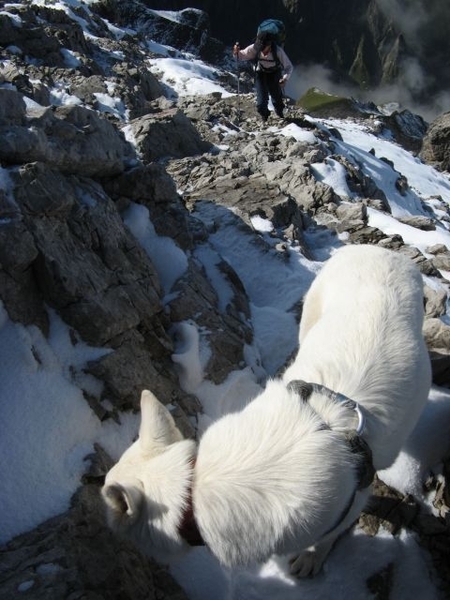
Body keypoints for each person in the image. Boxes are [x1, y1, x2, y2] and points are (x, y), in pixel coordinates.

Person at [233, 31, 293, 121]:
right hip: (260, 73)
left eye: (262, 47)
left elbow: (289, 67)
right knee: (261, 103)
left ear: (269, 45)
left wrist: (284, 79)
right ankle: (265, 115)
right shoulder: (254, 48)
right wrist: (236, 52)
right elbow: (241, 56)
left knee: (277, 98)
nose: (260, 49)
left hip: (274, 73)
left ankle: (279, 112)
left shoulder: (278, 51)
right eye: (259, 46)